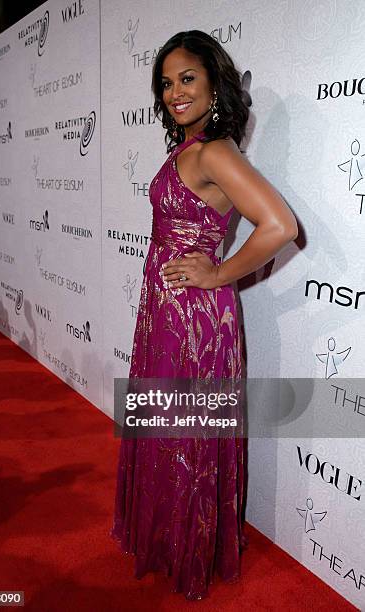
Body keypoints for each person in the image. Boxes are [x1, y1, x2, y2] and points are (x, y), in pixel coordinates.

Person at [111, 30, 298, 600]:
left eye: (187, 78)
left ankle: (188, 549)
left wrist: (218, 272)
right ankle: (171, 537)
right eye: (166, 83)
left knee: (186, 434)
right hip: (165, 315)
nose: (174, 92)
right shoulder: (189, 150)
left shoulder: (215, 150)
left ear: (215, 83)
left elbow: (281, 226)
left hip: (194, 322)